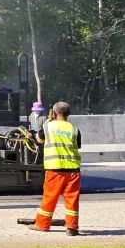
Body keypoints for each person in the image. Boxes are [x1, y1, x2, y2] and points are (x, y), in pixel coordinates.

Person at [30, 101, 81, 236]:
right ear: (68, 114)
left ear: (53, 113)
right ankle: (72, 227)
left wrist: (48, 121)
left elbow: (39, 140)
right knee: (72, 200)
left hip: (55, 169)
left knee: (50, 198)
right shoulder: (74, 129)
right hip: (73, 171)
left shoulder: (48, 127)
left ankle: (42, 224)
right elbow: (78, 145)